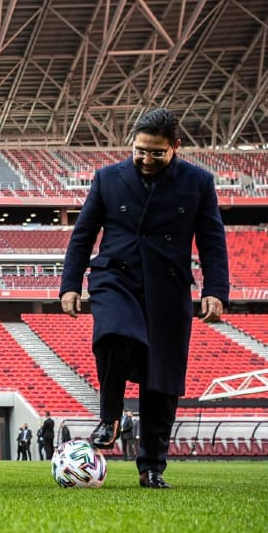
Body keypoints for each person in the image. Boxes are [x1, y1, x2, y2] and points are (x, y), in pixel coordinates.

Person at [60, 108, 229, 489]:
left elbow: (212, 239)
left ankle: (151, 467)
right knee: (113, 333)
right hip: (115, 276)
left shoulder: (198, 181)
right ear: (131, 144)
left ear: (175, 148)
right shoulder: (107, 178)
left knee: (161, 383)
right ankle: (110, 416)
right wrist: (70, 284)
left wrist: (216, 290)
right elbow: (83, 235)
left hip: (168, 290)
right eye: (140, 150)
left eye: (157, 153)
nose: (146, 159)